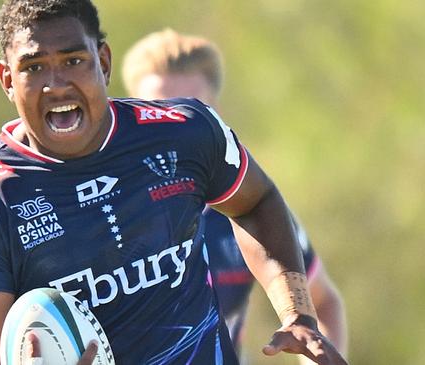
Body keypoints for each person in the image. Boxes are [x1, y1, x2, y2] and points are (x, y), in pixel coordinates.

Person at [0, 1, 349, 364]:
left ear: (103, 61)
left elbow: (256, 202)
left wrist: (297, 312)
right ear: (7, 80)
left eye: (73, 60)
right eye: (33, 67)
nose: (56, 83)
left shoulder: (184, 131)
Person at [122, 29, 348, 363]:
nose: (173, 131)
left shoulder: (255, 210)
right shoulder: (103, 212)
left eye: (185, 114)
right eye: (158, 113)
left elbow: (323, 303)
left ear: (213, 116)